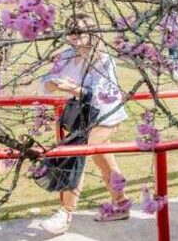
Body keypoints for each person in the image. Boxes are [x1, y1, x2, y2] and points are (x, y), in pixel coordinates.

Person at [39, 13, 130, 235]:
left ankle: (65, 213)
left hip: (105, 115)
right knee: (105, 162)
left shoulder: (103, 59)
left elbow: (101, 95)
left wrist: (73, 89)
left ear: (91, 32)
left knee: (74, 155)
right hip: (84, 116)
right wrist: (52, 84)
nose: (75, 35)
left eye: (80, 31)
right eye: (70, 30)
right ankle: (121, 204)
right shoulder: (67, 56)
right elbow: (45, 81)